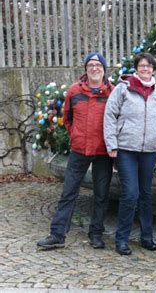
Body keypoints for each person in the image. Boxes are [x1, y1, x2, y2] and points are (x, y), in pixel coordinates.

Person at [37, 52, 114, 250]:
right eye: (91, 65)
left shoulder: (112, 92)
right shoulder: (74, 91)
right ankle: (57, 234)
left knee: (101, 194)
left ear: (104, 70)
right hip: (79, 150)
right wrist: (76, 135)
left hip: (103, 152)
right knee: (68, 192)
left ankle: (96, 234)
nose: (94, 68)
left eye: (98, 65)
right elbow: (67, 119)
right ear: (86, 69)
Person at [103, 52, 156, 255]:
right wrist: (112, 144)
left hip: (148, 150)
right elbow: (110, 115)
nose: (145, 69)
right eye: (142, 66)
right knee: (130, 194)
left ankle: (147, 237)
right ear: (136, 68)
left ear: (153, 70)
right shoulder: (124, 89)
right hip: (126, 150)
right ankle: (122, 239)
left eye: (149, 66)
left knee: (146, 194)